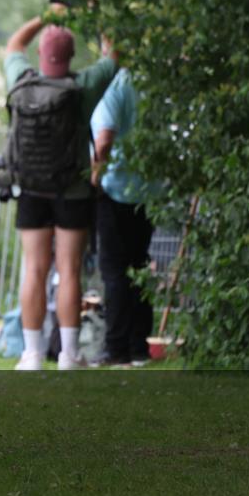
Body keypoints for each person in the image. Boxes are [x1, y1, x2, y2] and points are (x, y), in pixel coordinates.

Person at [3, 4, 117, 370]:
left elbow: (14, 44)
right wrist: (93, 16)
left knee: (34, 269)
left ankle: (32, 354)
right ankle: (69, 354)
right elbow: (114, 53)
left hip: (31, 188)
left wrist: (45, 16)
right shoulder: (84, 86)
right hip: (73, 190)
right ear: (72, 56)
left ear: (40, 53)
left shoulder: (21, 79)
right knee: (69, 270)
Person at [90, 67, 155, 368]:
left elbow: (104, 139)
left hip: (116, 188)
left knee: (114, 271)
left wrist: (96, 176)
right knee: (139, 265)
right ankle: (139, 345)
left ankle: (116, 347)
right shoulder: (148, 81)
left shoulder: (115, 86)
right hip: (147, 189)